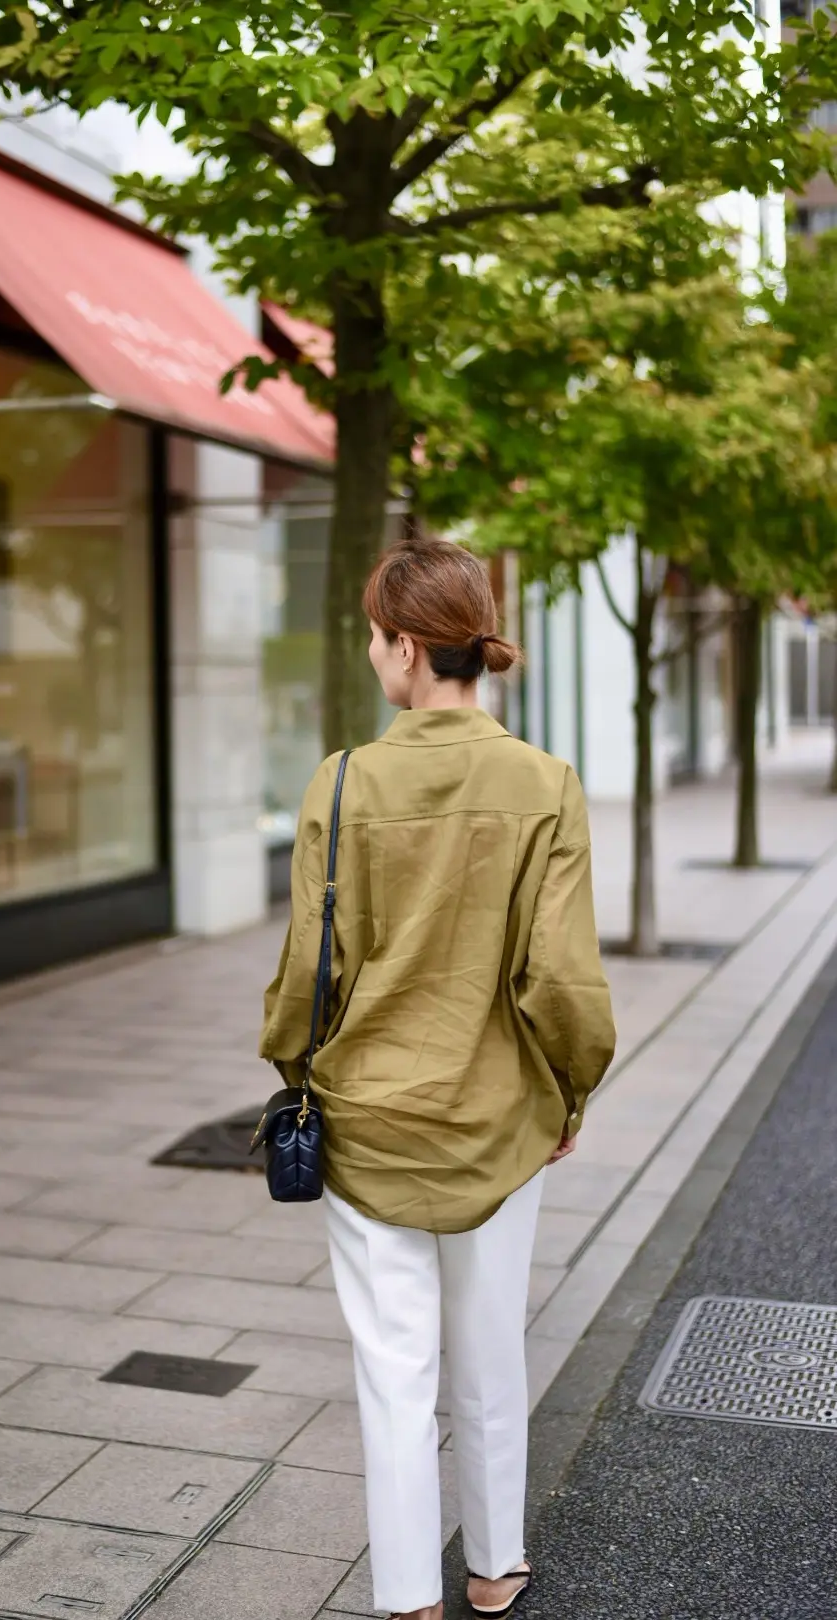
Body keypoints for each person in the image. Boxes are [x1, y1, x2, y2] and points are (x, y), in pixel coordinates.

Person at [260, 539, 616, 1620]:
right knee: (491, 1349)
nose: (373, 655)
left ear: (408, 647)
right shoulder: (545, 783)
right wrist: (570, 1093)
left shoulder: (344, 780)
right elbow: (562, 980)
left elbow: (301, 974)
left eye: (376, 637)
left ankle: (409, 1593)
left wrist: (292, 1071)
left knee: (392, 1372)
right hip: (499, 1118)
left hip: (368, 1122)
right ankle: (496, 1564)